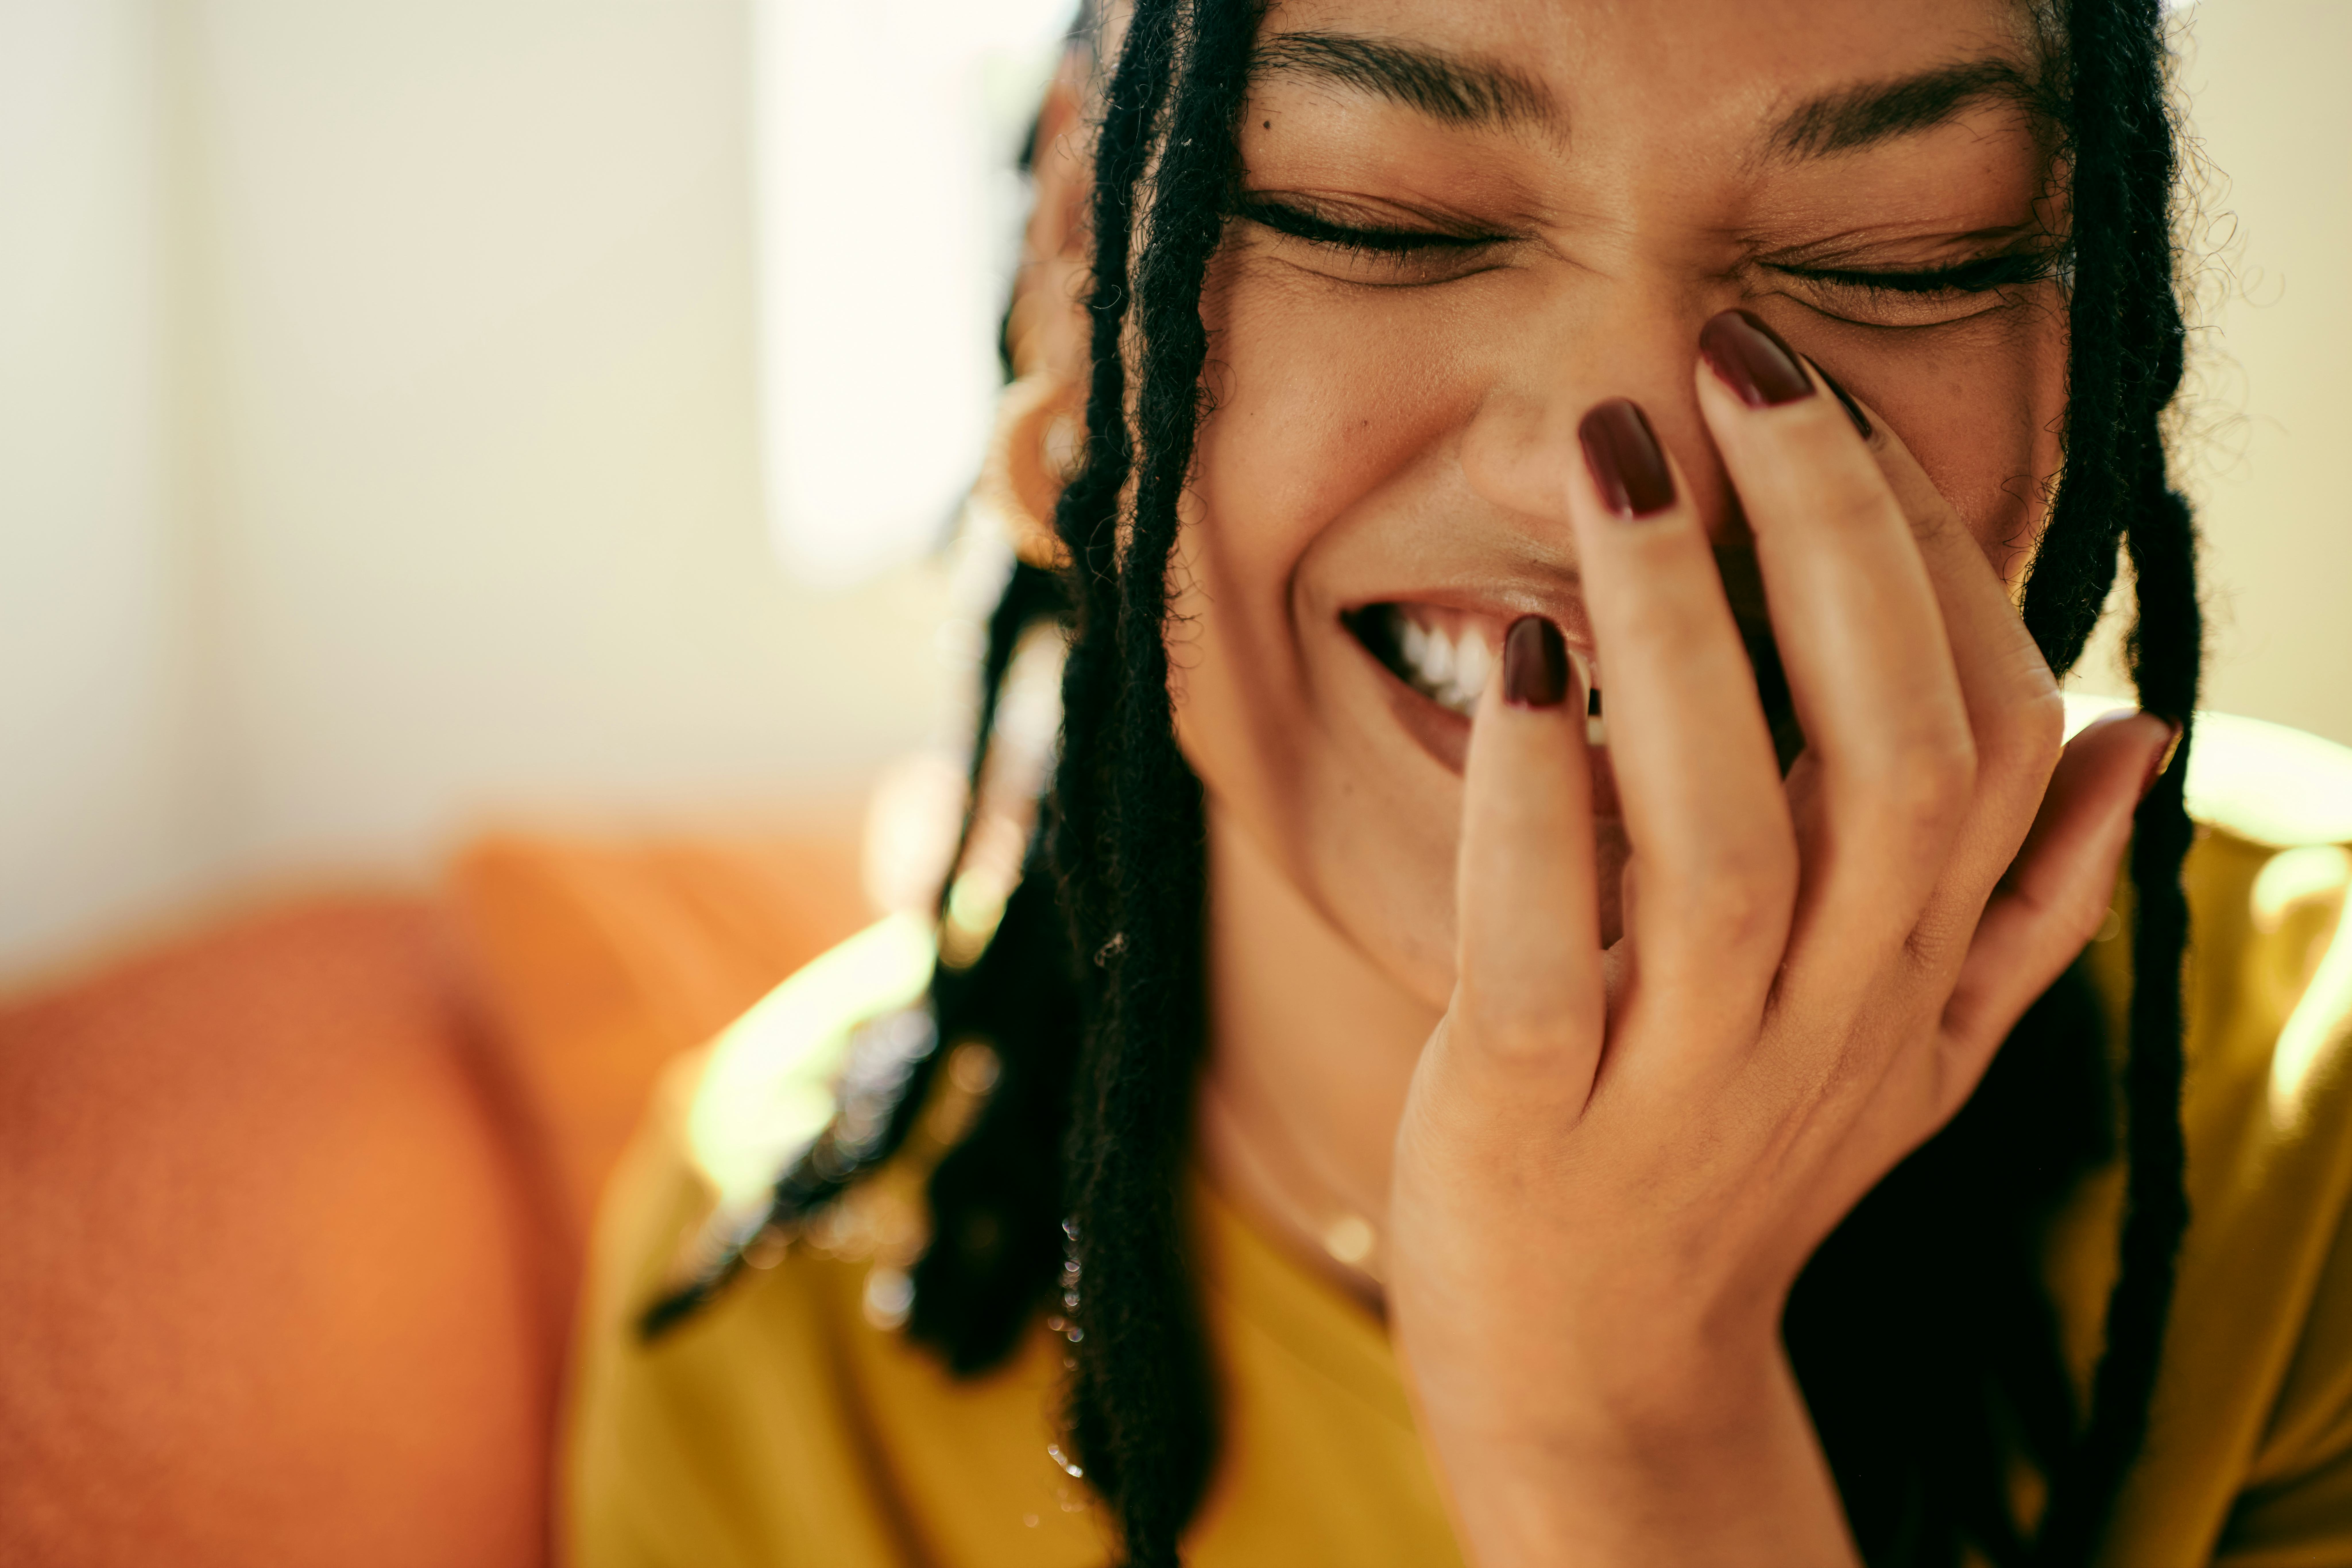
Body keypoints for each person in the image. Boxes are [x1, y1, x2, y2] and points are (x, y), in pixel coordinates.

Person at [564, 0, 2352, 1563]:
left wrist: (1621, 1416)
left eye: (1897, 254)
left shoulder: (2315, 1127)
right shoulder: (776, 1300)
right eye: (1386, 218)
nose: (1613, 452)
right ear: (1073, 270)